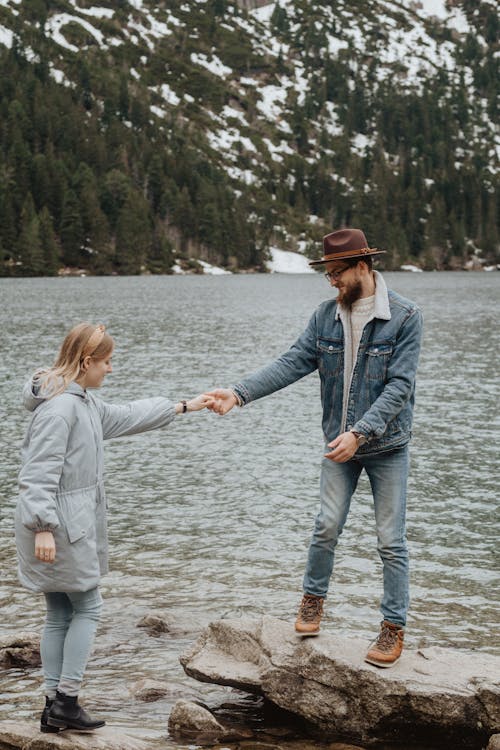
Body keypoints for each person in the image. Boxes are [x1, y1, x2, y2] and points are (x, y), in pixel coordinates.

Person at [207, 228, 423, 668]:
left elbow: (400, 386)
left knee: (390, 542)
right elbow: (292, 362)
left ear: (362, 266)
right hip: (337, 443)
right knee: (326, 526)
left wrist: (360, 433)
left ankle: (392, 627)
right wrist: (239, 393)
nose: (331, 281)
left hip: (386, 446)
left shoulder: (405, 316)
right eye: (327, 273)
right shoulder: (326, 316)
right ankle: (312, 601)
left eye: (336, 272)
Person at [15, 323, 212, 733]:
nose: (110, 370)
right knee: (88, 607)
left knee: (59, 612)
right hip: (59, 523)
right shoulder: (61, 410)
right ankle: (67, 700)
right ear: (86, 362)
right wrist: (43, 527)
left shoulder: (80, 401)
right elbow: (38, 474)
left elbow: (124, 416)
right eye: (107, 363)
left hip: (62, 520)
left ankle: (53, 707)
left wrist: (183, 406)